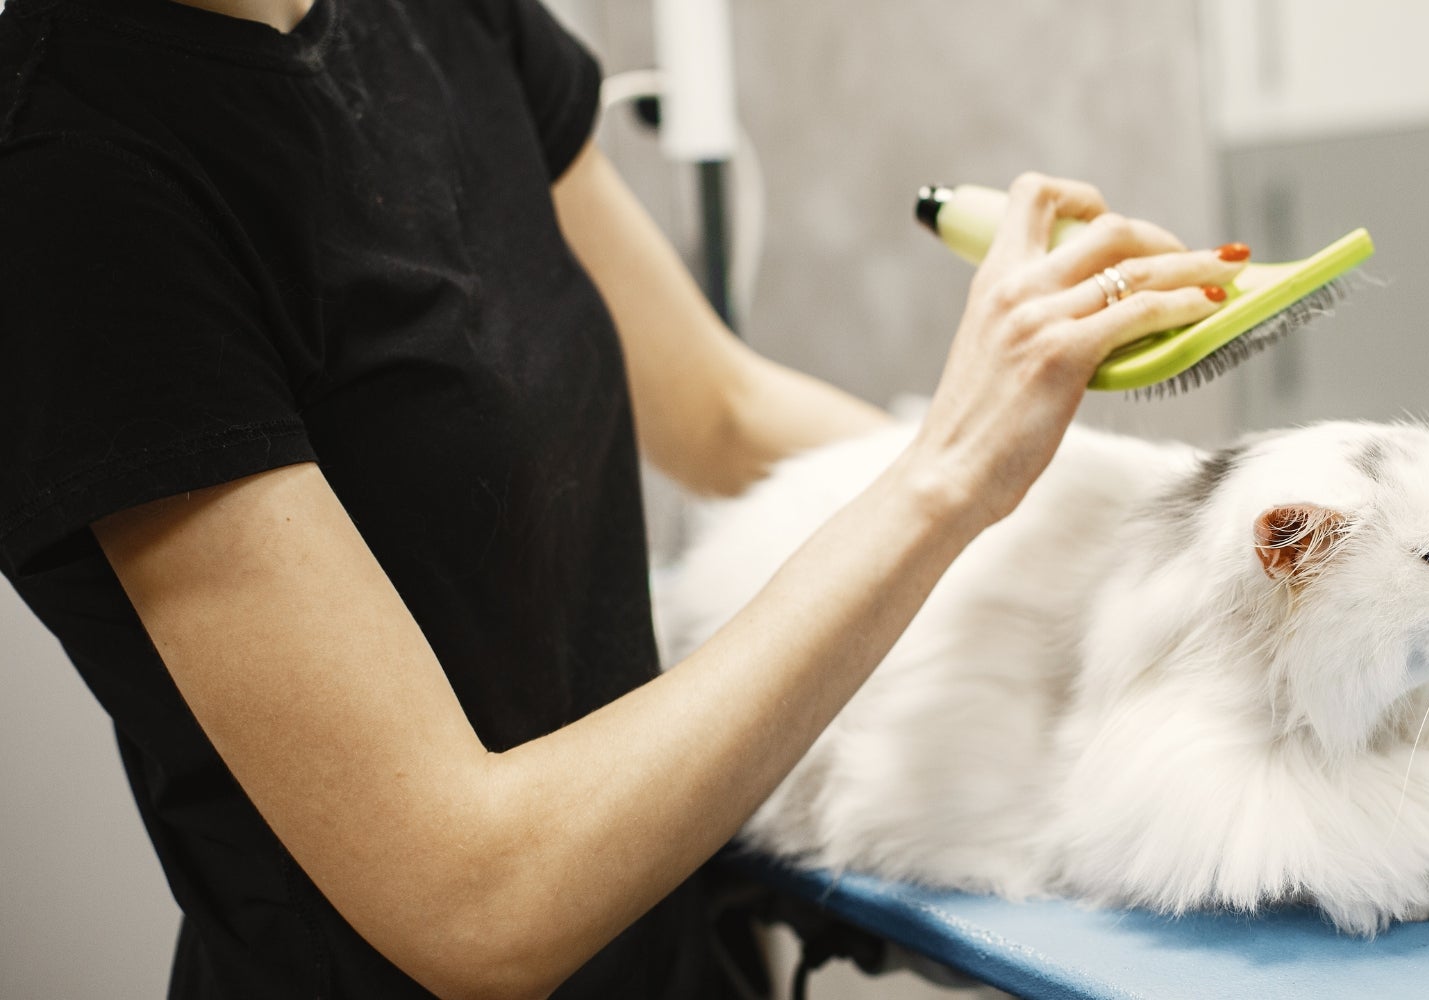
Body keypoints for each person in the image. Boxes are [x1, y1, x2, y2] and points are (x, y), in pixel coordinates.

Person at [0, 0, 1247, 996]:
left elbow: (722, 415)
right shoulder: (74, 185)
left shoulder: (446, 20)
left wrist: (1148, 515)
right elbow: (476, 902)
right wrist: (947, 476)